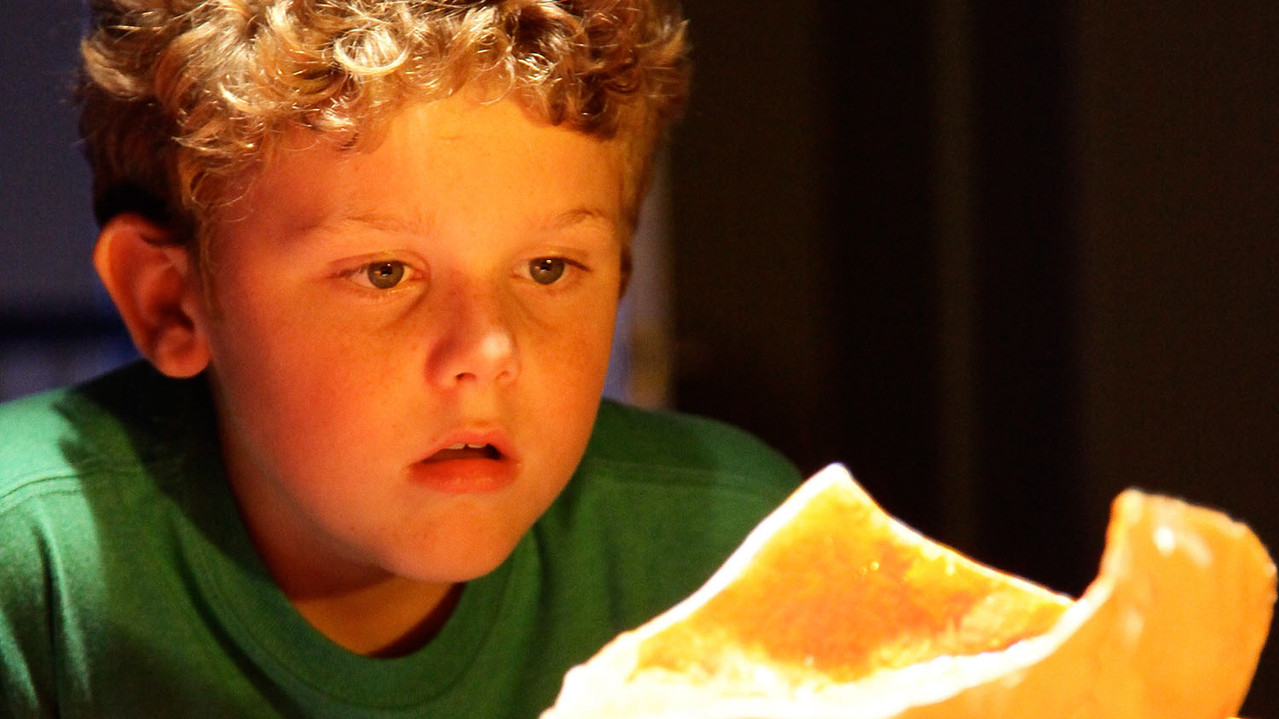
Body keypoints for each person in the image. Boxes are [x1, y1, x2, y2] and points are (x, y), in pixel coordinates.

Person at [0, 1, 800, 716]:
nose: (486, 351)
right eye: (384, 272)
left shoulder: (732, 545)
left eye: (548, 267)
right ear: (171, 302)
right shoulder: (30, 561)